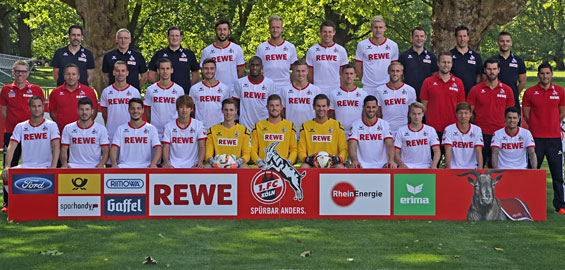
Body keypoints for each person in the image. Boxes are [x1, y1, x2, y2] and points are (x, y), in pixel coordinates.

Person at [2, 96, 60, 211]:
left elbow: (56, 146)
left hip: (45, 166)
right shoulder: (21, 126)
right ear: (29, 108)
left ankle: (43, 206)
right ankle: (10, 205)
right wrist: (7, 166)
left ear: (43, 108)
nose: (36, 109)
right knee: (5, 175)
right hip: (26, 166)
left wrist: (53, 167)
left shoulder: (51, 125)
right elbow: (11, 147)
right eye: (34, 106)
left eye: (39, 106)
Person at [522, 62, 565, 214]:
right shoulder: (530, 92)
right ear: (538, 75)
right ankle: (529, 203)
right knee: (532, 172)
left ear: (551, 74)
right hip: (535, 139)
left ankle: (560, 205)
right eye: (542, 73)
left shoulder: (560, 91)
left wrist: (551, 124)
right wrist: (537, 125)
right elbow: (526, 115)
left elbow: (562, 112)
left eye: (547, 73)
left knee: (558, 174)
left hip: (554, 138)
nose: (545, 76)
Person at [467, 58, 514, 168]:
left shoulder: (507, 90)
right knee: (479, 166)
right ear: (484, 70)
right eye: (489, 69)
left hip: (500, 134)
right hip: (481, 134)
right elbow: (470, 112)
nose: (491, 72)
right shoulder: (475, 90)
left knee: (497, 168)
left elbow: (510, 113)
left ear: (498, 70)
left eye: (494, 69)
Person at [0, 60, 44, 171]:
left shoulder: (36, 89)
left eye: (23, 71)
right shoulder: (6, 90)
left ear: (28, 73)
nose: (20, 74)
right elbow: (4, 111)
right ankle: (8, 188)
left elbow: (40, 111)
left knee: (34, 164)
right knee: (9, 165)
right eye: (18, 71)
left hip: (32, 133)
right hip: (11, 132)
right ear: (13, 72)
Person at [420, 52, 465, 145]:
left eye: (449, 62)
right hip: (433, 127)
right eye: (443, 62)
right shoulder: (428, 82)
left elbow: (461, 107)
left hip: (452, 127)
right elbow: (423, 106)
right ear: (438, 63)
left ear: (452, 64)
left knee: (452, 159)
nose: (446, 65)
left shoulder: (458, 83)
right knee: (433, 158)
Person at [298, 94, 347, 168]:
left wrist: (339, 159)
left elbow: (344, 149)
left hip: (331, 164)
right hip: (313, 164)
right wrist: (306, 159)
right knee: (304, 166)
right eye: (318, 106)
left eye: (323, 106)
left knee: (340, 167)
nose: (321, 109)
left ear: (328, 107)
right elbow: (301, 151)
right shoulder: (305, 126)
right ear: (314, 107)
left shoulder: (337, 125)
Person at [354, 15, 399, 96]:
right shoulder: (362, 45)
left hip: (387, 86)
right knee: (369, 108)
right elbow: (358, 67)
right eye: (375, 27)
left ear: (385, 28)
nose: (378, 30)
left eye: (380, 27)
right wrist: (365, 81)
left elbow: (394, 67)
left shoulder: (393, 45)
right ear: (371, 28)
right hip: (368, 87)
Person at [110, 98, 161, 168]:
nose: (135, 111)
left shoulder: (151, 128)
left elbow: (158, 148)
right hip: (124, 166)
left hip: (145, 166)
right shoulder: (121, 129)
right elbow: (114, 148)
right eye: (133, 108)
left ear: (143, 110)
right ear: (129, 110)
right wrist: (114, 164)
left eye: (138, 108)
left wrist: (153, 163)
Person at [348, 95, 396, 168]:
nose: (371, 110)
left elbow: (389, 144)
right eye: (368, 107)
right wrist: (354, 160)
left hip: (382, 165)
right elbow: (352, 145)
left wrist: (391, 160)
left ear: (377, 108)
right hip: (362, 165)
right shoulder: (355, 125)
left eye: (373, 107)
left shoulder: (384, 124)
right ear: (363, 107)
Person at [147, 26, 199, 94]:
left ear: (181, 38)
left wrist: (188, 87)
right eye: (172, 36)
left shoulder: (189, 54)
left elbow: (196, 75)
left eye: (177, 36)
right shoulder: (159, 54)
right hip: (163, 95)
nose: (174, 38)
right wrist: (159, 88)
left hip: (183, 95)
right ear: (167, 38)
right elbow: (151, 75)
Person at [49, 63, 99, 133]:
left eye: (73, 74)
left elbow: (94, 111)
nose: (71, 77)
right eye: (68, 74)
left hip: (84, 133)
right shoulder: (55, 93)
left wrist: (85, 124)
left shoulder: (89, 91)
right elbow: (52, 112)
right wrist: (61, 123)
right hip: (62, 132)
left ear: (78, 76)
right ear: (64, 76)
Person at [60, 97, 109, 168]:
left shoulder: (101, 129)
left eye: (87, 109)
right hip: (73, 166)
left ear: (92, 111)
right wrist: (64, 163)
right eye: (81, 109)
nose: (84, 112)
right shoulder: (68, 128)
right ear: (77, 111)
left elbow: (106, 150)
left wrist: (101, 164)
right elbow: (64, 149)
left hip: (94, 166)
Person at [100, 61, 142, 143]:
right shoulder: (106, 92)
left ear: (127, 73)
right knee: (112, 156)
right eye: (117, 71)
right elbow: (105, 113)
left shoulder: (134, 92)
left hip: (129, 134)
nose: (120, 73)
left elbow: (138, 113)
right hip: (111, 134)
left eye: (123, 71)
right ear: (113, 72)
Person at [251, 94, 298, 167]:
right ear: (267, 107)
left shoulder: (289, 126)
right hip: (263, 166)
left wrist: (288, 162)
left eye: (277, 105)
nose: (274, 108)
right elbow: (252, 149)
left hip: (282, 166)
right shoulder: (258, 126)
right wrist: (259, 162)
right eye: (271, 105)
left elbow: (294, 149)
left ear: (281, 107)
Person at [200, 19, 245, 93]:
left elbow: (240, 72)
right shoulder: (207, 51)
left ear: (229, 31)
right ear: (215, 32)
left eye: (225, 29)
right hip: (214, 92)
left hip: (232, 91)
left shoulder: (237, 49)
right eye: (219, 30)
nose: (222, 32)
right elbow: (204, 73)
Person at [161, 95, 207, 168]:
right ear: (177, 109)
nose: (184, 110)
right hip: (173, 164)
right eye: (181, 107)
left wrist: (200, 162)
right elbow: (165, 147)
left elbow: (202, 146)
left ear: (191, 109)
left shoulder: (199, 125)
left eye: (187, 107)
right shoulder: (168, 126)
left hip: (193, 164)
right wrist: (166, 162)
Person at [232, 56, 277, 130]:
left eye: (257, 65)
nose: (255, 68)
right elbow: (235, 104)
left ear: (262, 67)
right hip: (245, 126)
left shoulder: (269, 83)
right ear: (249, 66)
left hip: (264, 126)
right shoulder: (240, 82)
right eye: (252, 65)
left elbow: (272, 104)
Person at [255, 15, 298, 92]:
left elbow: (296, 69)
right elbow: (256, 69)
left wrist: (290, 83)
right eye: (273, 27)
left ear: (282, 29)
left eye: (278, 27)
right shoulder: (261, 47)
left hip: (285, 87)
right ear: (269, 29)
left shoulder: (290, 47)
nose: (275, 30)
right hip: (266, 87)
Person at [144, 58, 185, 137]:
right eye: (162, 69)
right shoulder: (151, 90)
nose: (165, 71)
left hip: (174, 131)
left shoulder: (179, 90)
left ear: (171, 70)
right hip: (155, 132)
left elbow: (182, 111)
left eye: (167, 68)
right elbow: (147, 110)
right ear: (158, 71)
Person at [205, 98, 251, 168]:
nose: (228, 113)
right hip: (218, 164)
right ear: (222, 111)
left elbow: (247, 154)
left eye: (231, 110)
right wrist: (213, 162)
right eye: (226, 110)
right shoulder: (212, 130)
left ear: (236, 111)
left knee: (244, 166)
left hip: (236, 165)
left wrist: (238, 162)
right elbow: (208, 153)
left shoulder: (244, 131)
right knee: (207, 166)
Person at [305, 20, 349, 93]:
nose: (327, 34)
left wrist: (340, 88)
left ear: (334, 33)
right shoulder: (312, 50)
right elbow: (309, 73)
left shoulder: (341, 50)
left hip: (336, 90)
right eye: (324, 32)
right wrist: (315, 86)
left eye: (329, 32)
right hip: (317, 90)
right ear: (320, 32)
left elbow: (343, 72)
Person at [375, 62, 417, 136]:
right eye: (392, 71)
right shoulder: (379, 90)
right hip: (386, 129)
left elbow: (412, 111)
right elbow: (378, 112)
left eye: (397, 71)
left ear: (401, 73)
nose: (395, 73)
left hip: (404, 129)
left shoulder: (410, 90)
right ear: (388, 72)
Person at [394, 102, 440, 169]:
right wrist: (402, 165)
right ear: (410, 114)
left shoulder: (430, 130)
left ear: (423, 114)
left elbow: (437, 150)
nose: (416, 117)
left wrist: (434, 165)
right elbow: (395, 152)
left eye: (419, 114)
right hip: (407, 166)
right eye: (414, 114)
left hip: (426, 166)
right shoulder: (401, 130)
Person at [280, 60, 321, 132]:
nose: (300, 74)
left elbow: (320, 112)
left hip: (310, 130)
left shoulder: (316, 90)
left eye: (303, 71)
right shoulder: (285, 90)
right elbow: (281, 113)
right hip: (290, 130)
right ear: (293, 72)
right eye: (298, 71)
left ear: (307, 71)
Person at [189, 58, 230, 130]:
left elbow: (227, 110)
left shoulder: (224, 88)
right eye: (206, 68)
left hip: (219, 128)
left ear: (215, 70)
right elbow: (192, 110)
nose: (209, 71)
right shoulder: (194, 88)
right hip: (200, 129)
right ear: (202, 70)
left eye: (211, 68)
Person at [398, 26, 438, 100]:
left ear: (425, 38)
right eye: (416, 36)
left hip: (426, 96)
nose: (419, 38)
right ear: (411, 37)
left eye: (421, 36)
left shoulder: (431, 57)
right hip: (407, 95)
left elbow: (435, 76)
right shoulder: (404, 56)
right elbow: (399, 76)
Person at [492, 31, 527, 113]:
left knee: (513, 123)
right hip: (496, 98)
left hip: (513, 99)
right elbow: (485, 79)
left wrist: (513, 94)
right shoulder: (492, 60)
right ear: (498, 43)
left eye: (507, 41)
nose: (505, 43)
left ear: (511, 43)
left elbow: (522, 81)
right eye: (502, 41)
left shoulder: (518, 61)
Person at [442, 102, 484, 169]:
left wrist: (480, 169)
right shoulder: (449, 129)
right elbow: (447, 151)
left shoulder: (477, 130)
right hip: (454, 167)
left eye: (466, 113)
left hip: (472, 168)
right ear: (456, 114)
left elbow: (478, 151)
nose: (463, 116)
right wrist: (448, 169)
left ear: (470, 114)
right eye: (460, 113)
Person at [328, 64, 368, 132]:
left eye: (351, 73)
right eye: (346, 73)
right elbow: (331, 114)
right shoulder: (333, 93)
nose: (349, 76)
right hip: (339, 131)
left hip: (357, 131)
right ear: (341, 75)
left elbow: (365, 114)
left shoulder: (363, 94)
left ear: (355, 75)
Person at [450, 25, 483, 96]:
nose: (462, 39)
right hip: (452, 94)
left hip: (471, 95)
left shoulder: (476, 56)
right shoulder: (449, 55)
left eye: (464, 36)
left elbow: (479, 76)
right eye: (460, 36)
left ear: (468, 37)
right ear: (456, 38)